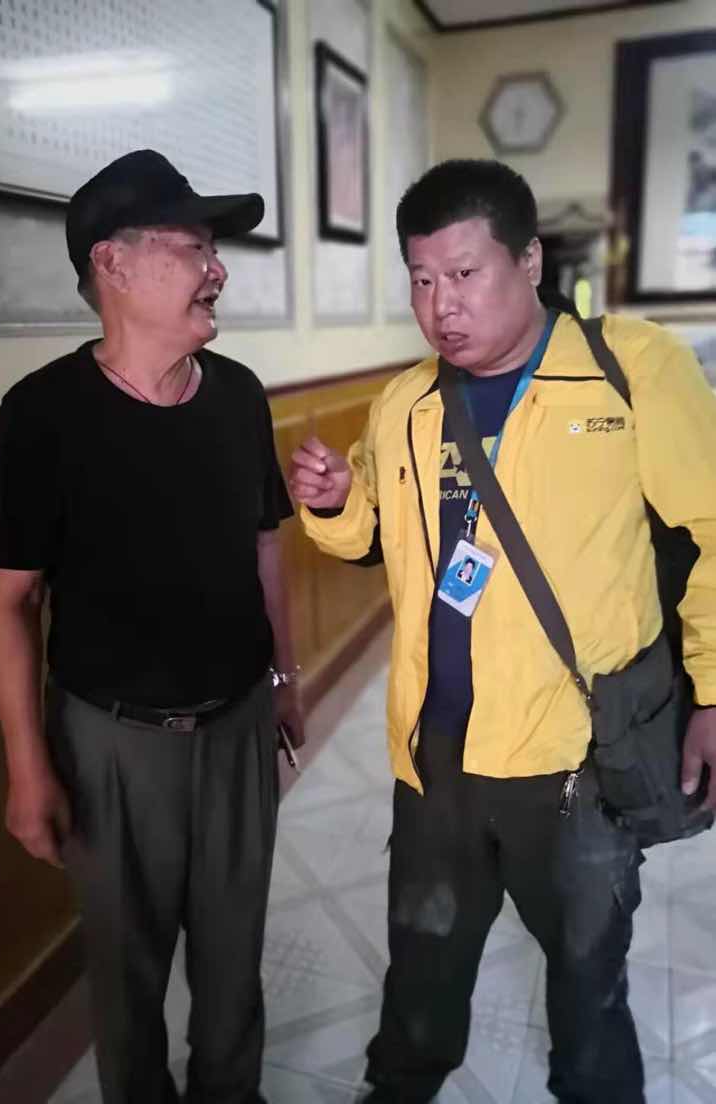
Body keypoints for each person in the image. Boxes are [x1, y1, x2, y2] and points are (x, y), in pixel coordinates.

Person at [289, 159, 716, 1104]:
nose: (440, 304)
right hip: (435, 762)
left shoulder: (627, 369)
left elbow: (713, 527)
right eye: (420, 278)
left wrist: (715, 692)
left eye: (464, 272)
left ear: (528, 262)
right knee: (420, 979)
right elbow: (369, 535)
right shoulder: (405, 403)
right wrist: (334, 501)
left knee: (588, 986)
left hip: (574, 765)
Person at [0, 149, 303, 1104]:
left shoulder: (238, 395)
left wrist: (285, 682)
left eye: (214, 250)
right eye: (194, 247)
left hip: (239, 725)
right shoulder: (42, 414)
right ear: (112, 264)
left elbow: (265, 548)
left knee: (235, 959)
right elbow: (8, 603)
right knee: (127, 976)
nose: (218, 269)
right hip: (111, 746)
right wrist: (27, 767)